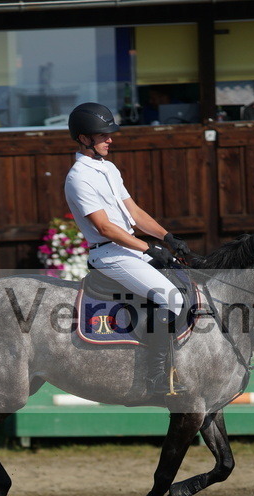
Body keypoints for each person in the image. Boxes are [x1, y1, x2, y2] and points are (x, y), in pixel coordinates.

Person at [63, 102, 191, 393]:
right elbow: (104, 228)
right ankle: (156, 377)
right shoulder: (78, 178)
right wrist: (148, 248)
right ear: (84, 138)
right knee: (171, 299)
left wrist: (167, 237)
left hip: (128, 249)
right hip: (109, 254)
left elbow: (134, 212)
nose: (110, 139)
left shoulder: (108, 168)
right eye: (103, 135)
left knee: (185, 281)